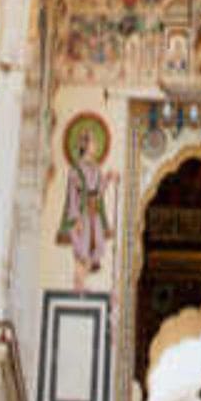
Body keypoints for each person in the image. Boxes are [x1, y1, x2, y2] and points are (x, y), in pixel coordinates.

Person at [57, 122, 115, 287]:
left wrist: (108, 178)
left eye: (96, 142)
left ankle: (82, 280)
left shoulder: (96, 169)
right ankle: (79, 282)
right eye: (92, 142)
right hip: (82, 214)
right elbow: (73, 195)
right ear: (85, 145)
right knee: (81, 248)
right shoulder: (76, 169)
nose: (95, 146)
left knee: (97, 244)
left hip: (93, 213)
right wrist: (75, 218)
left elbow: (98, 191)